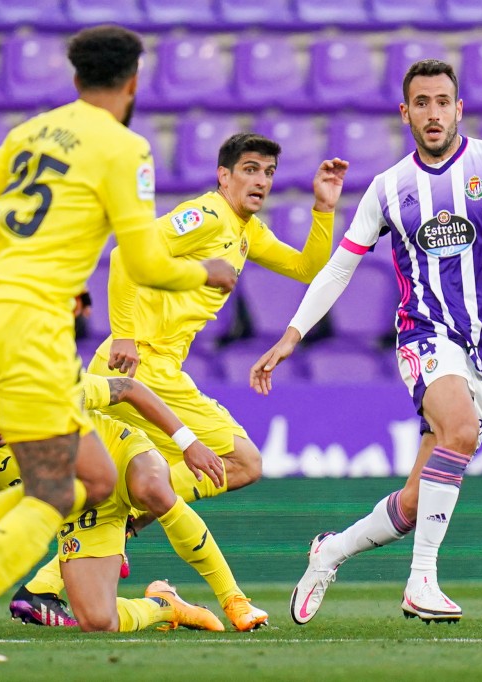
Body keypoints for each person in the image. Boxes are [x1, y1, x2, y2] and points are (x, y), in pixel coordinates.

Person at [250, 59, 482, 625]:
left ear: (460, 107)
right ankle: (421, 581)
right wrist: (291, 335)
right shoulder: (388, 188)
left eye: (442, 101)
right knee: (457, 428)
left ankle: (330, 550)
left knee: (412, 503)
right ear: (405, 113)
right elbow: (338, 269)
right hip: (424, 333)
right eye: (421, 103)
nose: (433, 113)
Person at [0, 25, 238, 662]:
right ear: (134, 81)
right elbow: (144, 259)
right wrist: (208, 272)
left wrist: (25, 263)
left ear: (75, 79)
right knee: (58, 489)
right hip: (32, 328)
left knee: (89, 475)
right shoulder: (125, 148)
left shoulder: (34, 130)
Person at [0, 366, 261, 636]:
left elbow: (129, 388)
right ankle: (165, 605)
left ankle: (235, 600)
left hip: (119, 455)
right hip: (85, 507)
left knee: (153, 490)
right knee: (98, 622)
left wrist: (187, 443)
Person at [87, 133, 347, 526]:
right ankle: (122, 518)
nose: (261, 181)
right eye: (250, 170)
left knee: (146, 474)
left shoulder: (247, 230)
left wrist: (324, 209)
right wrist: (124, 333)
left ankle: (60, 573)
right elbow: (125, 254)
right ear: (223, 177)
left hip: (148, 367)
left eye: (269, 172)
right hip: (140, 365)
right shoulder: (207, 217)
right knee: (242, 462)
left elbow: (305, 269)